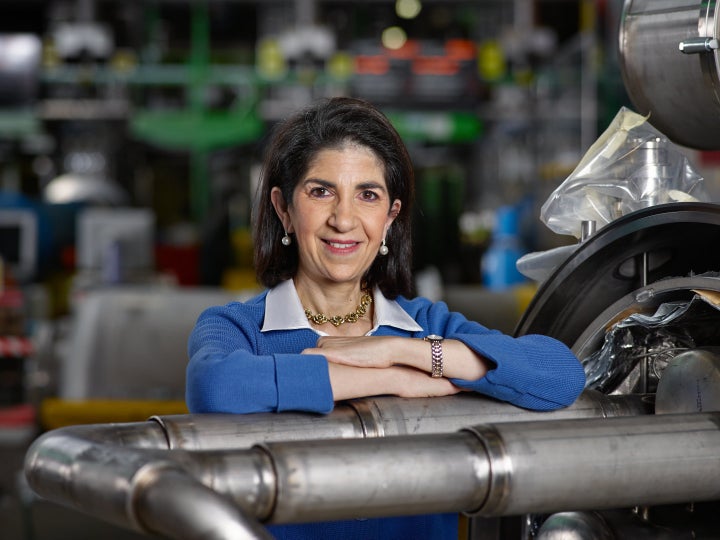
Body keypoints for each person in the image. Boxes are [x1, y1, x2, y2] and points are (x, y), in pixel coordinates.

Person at [186, 96, 586, 539]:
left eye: (368, 195)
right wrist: (395, 379)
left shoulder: (425, 327)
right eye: (321, 192)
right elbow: (215, 386)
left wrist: (399, 351)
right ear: (284, 209)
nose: (344, 219)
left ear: (391, 217)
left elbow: (560, 374)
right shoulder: (238, 328)